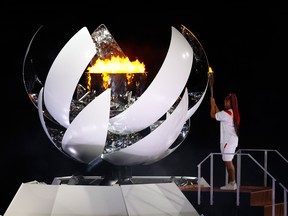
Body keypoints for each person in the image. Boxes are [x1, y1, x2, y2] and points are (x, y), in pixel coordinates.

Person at [210, 93, 240, 190]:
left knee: (228, 163)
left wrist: (211, 104)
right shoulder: (230, 113)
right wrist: (215, 104)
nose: (224, 102)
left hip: (228, 140)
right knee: (228, 162)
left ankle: (232, 184)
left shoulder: (227, 113)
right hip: (230, 140)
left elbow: (213, 115)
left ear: (229, 102)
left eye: (226, 101)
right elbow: (219, 115)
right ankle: (232, 184)